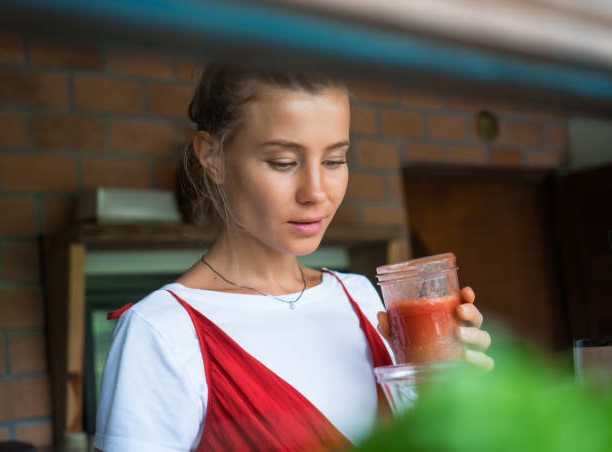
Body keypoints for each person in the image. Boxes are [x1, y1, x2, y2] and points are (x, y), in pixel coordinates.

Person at [94, 63, 493, 452]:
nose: (316, 192)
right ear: (212, 157)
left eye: (334, 160)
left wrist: (448, 394)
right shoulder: (161, 332)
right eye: (283, 162)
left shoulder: (361, 299)